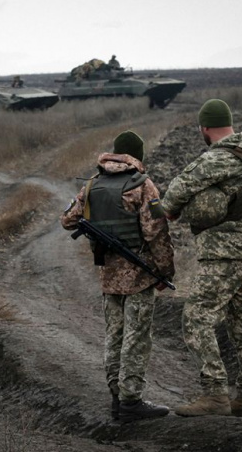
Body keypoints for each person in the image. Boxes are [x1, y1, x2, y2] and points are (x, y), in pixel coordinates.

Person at [160, 99, 242, 418]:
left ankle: (215, 393)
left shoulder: (220, 157)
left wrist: (169, 209)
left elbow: (179, 188)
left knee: (195, 317)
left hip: (224, 251)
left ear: (205, 128)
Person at [61, 131, 175, 423]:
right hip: (139, 276)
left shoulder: (92, 184)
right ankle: (131, 401)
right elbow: (157, 233)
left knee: (115, 335)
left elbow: (67, 220)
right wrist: (165, 270)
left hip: (109, 276)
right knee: (136, 337)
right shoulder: (142, 184)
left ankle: (117, 397)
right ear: (138, 155)